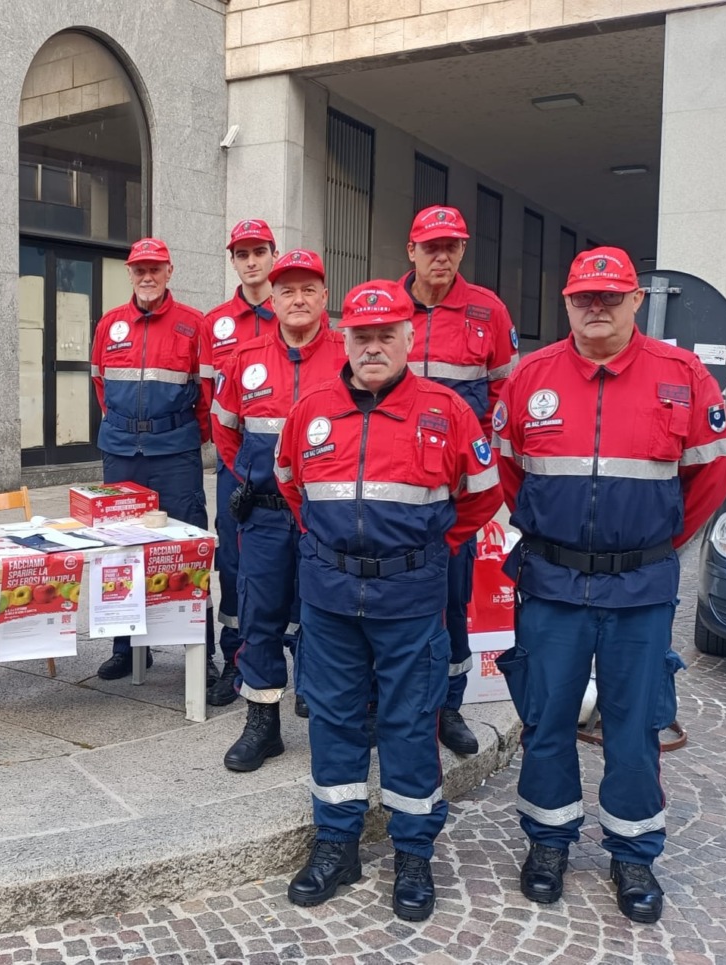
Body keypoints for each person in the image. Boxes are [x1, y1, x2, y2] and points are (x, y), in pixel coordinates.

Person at [493, 247, 726, 924]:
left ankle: (633, 853)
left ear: (634, 300)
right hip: (552, 586)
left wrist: (652, 545)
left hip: (640, 591)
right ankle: (549, 841)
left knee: (634, 727)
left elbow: (713, 475)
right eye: (583, 297)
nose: (595, 307)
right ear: (567, 302)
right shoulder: (530, 377)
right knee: (545, 722)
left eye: (610, 295)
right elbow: (510, 473)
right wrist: (555, 536)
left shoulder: (681, 375)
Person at [276, 279, 501, 920]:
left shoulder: (448, 411)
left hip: (410, 595)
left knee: (408, 724)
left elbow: (481, 498)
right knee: (335, 719)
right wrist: (337, 546)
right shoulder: (311, 407)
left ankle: (412, 854)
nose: (373, 348)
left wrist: (424, 549)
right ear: (344, 338)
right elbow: (292, 486)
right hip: (329, 595)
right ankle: (336, 846)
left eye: (386, 336)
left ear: (410, 337)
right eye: (361, 337)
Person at [211, 249, 344, 771]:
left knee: (325, 615)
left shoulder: (347, 355)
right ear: (275, 295)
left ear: (324, 296)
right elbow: (225, 433)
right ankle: (262, 724)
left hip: (324, 516)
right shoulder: (244, 360)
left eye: (308, 289)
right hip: (265, 516)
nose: (297, 298)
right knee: (259, 617)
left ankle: (326, 709)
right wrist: (251, 476)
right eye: (287, 289)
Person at [401, 205, 518, 756]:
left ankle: (449, 706)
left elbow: (503, 400)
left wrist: (479, 468)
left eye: (452, 246)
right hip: (390, 492)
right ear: (412, 251)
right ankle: (390, 703)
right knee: (389, 599)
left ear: (462, 251)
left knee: (451, 601)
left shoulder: (487, 311)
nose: (442, 256)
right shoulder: (388, 306)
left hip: (452, 496)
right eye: (432, 247)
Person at [89, 237, 212, 679]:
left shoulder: (193, 324)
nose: (147, 277)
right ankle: (126, 649)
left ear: (169, 271)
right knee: (119, 551)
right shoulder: (109, 324)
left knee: (188, 548)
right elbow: (101, 384)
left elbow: (206, 392)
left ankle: (202, 652)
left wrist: (179, 433)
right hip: (121, 450)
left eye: (155, 269)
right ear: (130, 272)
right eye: (139, 269)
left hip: (174, 451)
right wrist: (126, 428)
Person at [200, 219, 279, 705]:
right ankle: (234, 657)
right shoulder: (216, 323)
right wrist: (235, 462)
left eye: (258, 252)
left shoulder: (293, 311)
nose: (250, 261)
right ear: (232, 260)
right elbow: (211, 400)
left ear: (272, 255)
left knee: (295, 565)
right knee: (232, 562)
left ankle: (298, 657)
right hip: (237, 466)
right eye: (241, 253)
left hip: (293, 471)